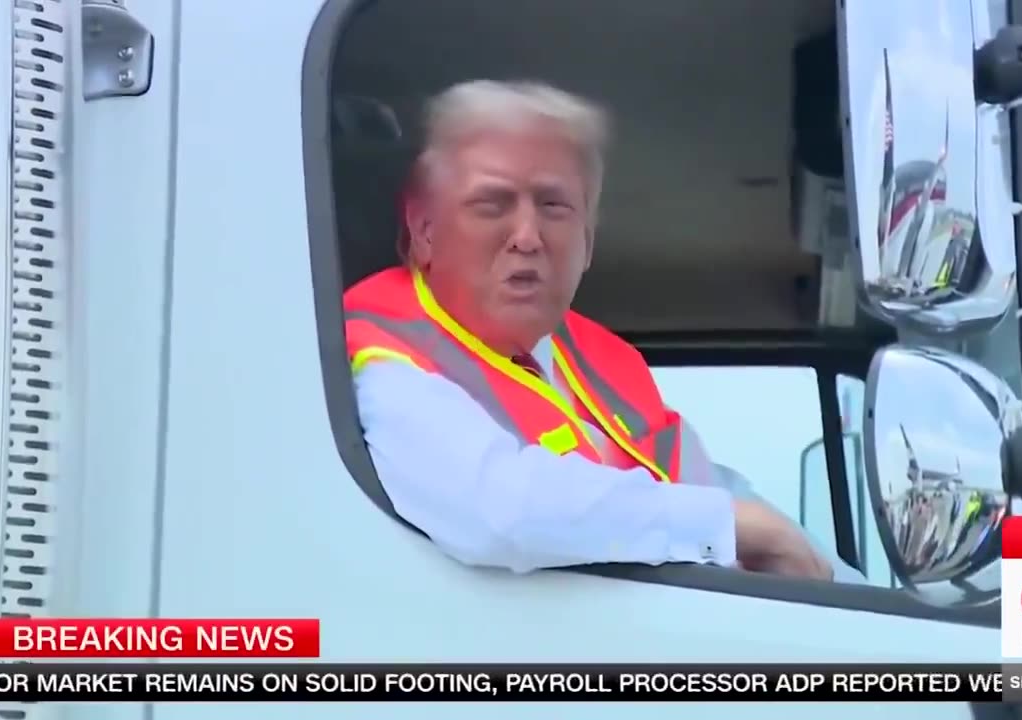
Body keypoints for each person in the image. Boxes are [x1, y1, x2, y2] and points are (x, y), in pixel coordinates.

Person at [344, 79, 863, 582]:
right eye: (492, 204)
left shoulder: (603, 366)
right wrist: (727, 527)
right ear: (425, 231)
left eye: (553, 205)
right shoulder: (384, 353)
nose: (527, 236)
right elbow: (502, 511)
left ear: (587, 243)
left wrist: (856, 601)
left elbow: (728, 498)